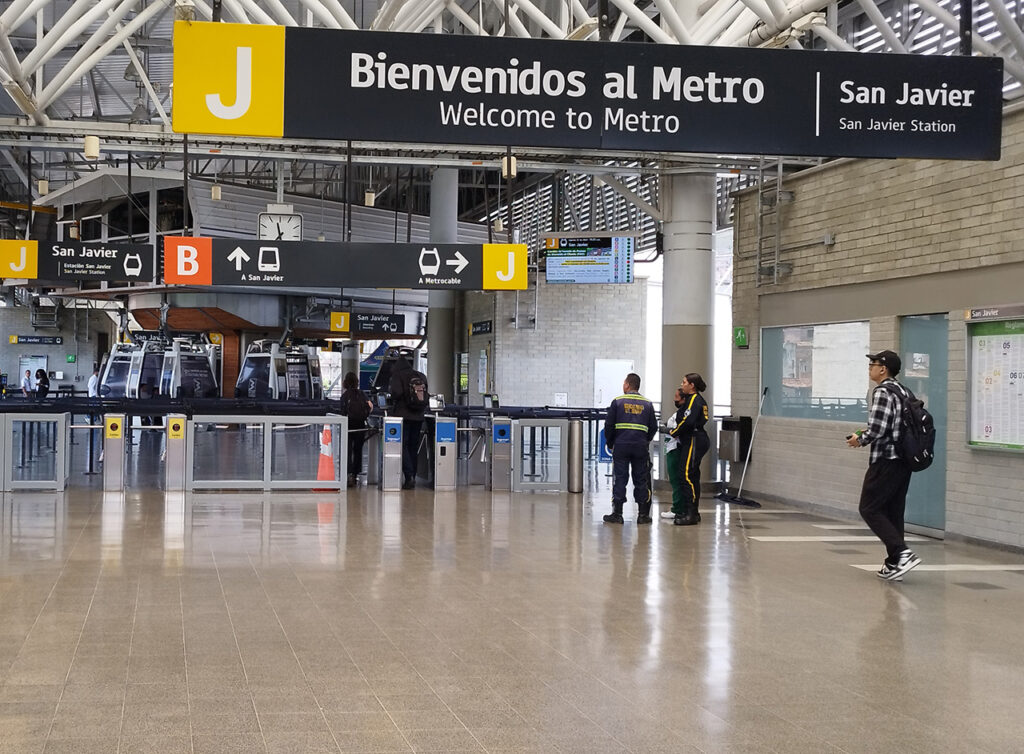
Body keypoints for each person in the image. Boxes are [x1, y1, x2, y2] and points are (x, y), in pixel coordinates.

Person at [847, 350, 922, 581]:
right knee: (893, 511)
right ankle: (894, 564)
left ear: (884, 369)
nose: (870, 368)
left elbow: (878, 428)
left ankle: (902, 553)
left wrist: (860, 439)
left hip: (886, 459)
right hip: (903, 460)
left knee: (869, 508)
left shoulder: (882, 391)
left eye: (874, 364)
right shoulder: (903, 391)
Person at [603, 372, 658, 525]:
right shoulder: (647, 404)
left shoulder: (618, 402)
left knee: (620, 478)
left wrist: (610, 442)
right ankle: (642, 515)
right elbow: (653, 427)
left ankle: (618, 513)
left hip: (621, 445)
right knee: (641, 479)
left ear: (627, 384)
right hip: (640, 446)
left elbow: (609, 425)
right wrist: (645, 440)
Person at [668, 373, 710, 526]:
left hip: (694, 439)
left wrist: (674, 431)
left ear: (692, 385)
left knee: (685, 475)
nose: (682, 384)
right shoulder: (692, 400)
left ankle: (691, 513)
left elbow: (688, 421)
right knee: (691, 476)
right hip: (692, 439)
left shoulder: (695, 401)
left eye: (684, 382)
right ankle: (692, 511)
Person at [389, 355, 429, 489]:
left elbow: (397, 393)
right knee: (413, 446)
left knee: (403, 445)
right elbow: (426, 396)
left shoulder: (397, 375)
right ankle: (413, 475)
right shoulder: (420, 375)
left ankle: (409, 475)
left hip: (403, 416)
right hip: (418, 416)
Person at [340, 371, 372, 487]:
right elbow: (370, 406)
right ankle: (355, 474)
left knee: (347, 449)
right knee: (358, 450)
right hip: (360, 425)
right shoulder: (362, 394)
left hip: (348, 425)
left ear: (345, 383)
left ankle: (348, 473)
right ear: (357, 382)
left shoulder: (345, 396)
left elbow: (342, 411)